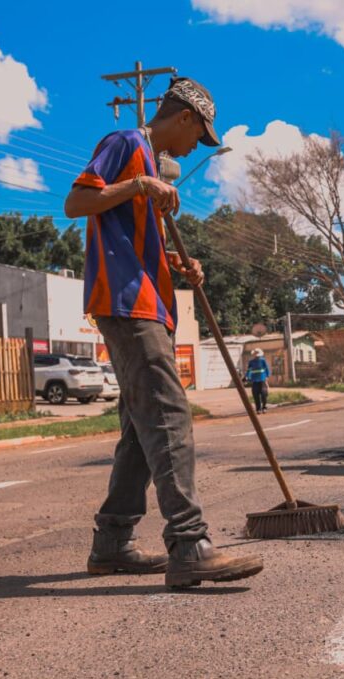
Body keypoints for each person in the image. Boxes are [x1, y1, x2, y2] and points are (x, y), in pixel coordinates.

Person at [64, 77, 263, 588]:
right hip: (128, 305)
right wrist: (138, 185)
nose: (197, 144)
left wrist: (177, 264)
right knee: (171, 415)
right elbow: (77, 203)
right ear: (185, 118)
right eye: (200, 134)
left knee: (140, 427)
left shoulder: (151, 163)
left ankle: (112, 543)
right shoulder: (126, 144)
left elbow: (132, 240)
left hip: (148, 300)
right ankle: (190, 543)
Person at [245, 348, 271, 414]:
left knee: (264, 394)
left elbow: (267, 369)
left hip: (262, 380)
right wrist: (247, 376)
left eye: (257, 354)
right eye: (255, 354)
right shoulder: (251, 362)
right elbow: (249, 370)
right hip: (255, 380)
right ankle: (258, 409)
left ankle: (264, 407)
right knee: (256, 395)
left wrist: (267, 376)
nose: (256, 356)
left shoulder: (263, 361)